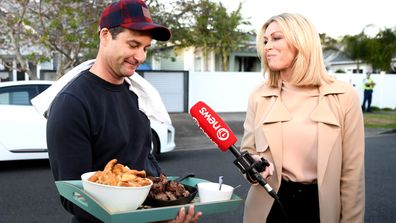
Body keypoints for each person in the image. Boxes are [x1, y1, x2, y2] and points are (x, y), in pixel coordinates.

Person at [44, 0, 201, 222]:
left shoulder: (136, 94)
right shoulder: (72, 103)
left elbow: (144, 161)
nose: (141, 57)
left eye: (145, 48)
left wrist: (167, 207)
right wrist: (148, 215)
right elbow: (73, 197)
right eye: (133, 45)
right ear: (105, 36)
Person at [240, 13, 365, 223]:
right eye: (265, 41)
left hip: (320, 210)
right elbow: (248, 152)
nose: (267, 46)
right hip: (268, 209)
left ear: (301, 42)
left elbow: (352, 176)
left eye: (276, 38)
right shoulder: (259, 96)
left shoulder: (344, 96)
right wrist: (253, 167)